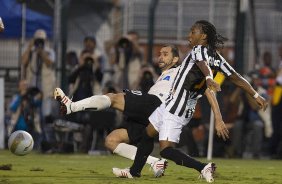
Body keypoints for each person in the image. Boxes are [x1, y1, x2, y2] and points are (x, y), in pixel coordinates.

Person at [112, 20, 268, 183]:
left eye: (193, 32)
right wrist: (256, 95)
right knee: (146, 135)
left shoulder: (199, 50)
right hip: (173, 105)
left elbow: (202, 64)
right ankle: (134, 172)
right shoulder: (218, 58)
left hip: (175, 109)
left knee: (166, 150)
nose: (189, 35)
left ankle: (202, 167)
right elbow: (236, 77)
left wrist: (208, 77)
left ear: (204, 36)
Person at [54, 44, 220, 177]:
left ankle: (72, 106)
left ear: (176, 58)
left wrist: (218, 117)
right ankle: (154, 162)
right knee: (111, 141)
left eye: (166, 54)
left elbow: (206, 88)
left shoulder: (181, 71)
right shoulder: (161, 76)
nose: (160, 57)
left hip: (158, 104)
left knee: (113, 98)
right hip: (152, 113)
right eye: (160, 53)